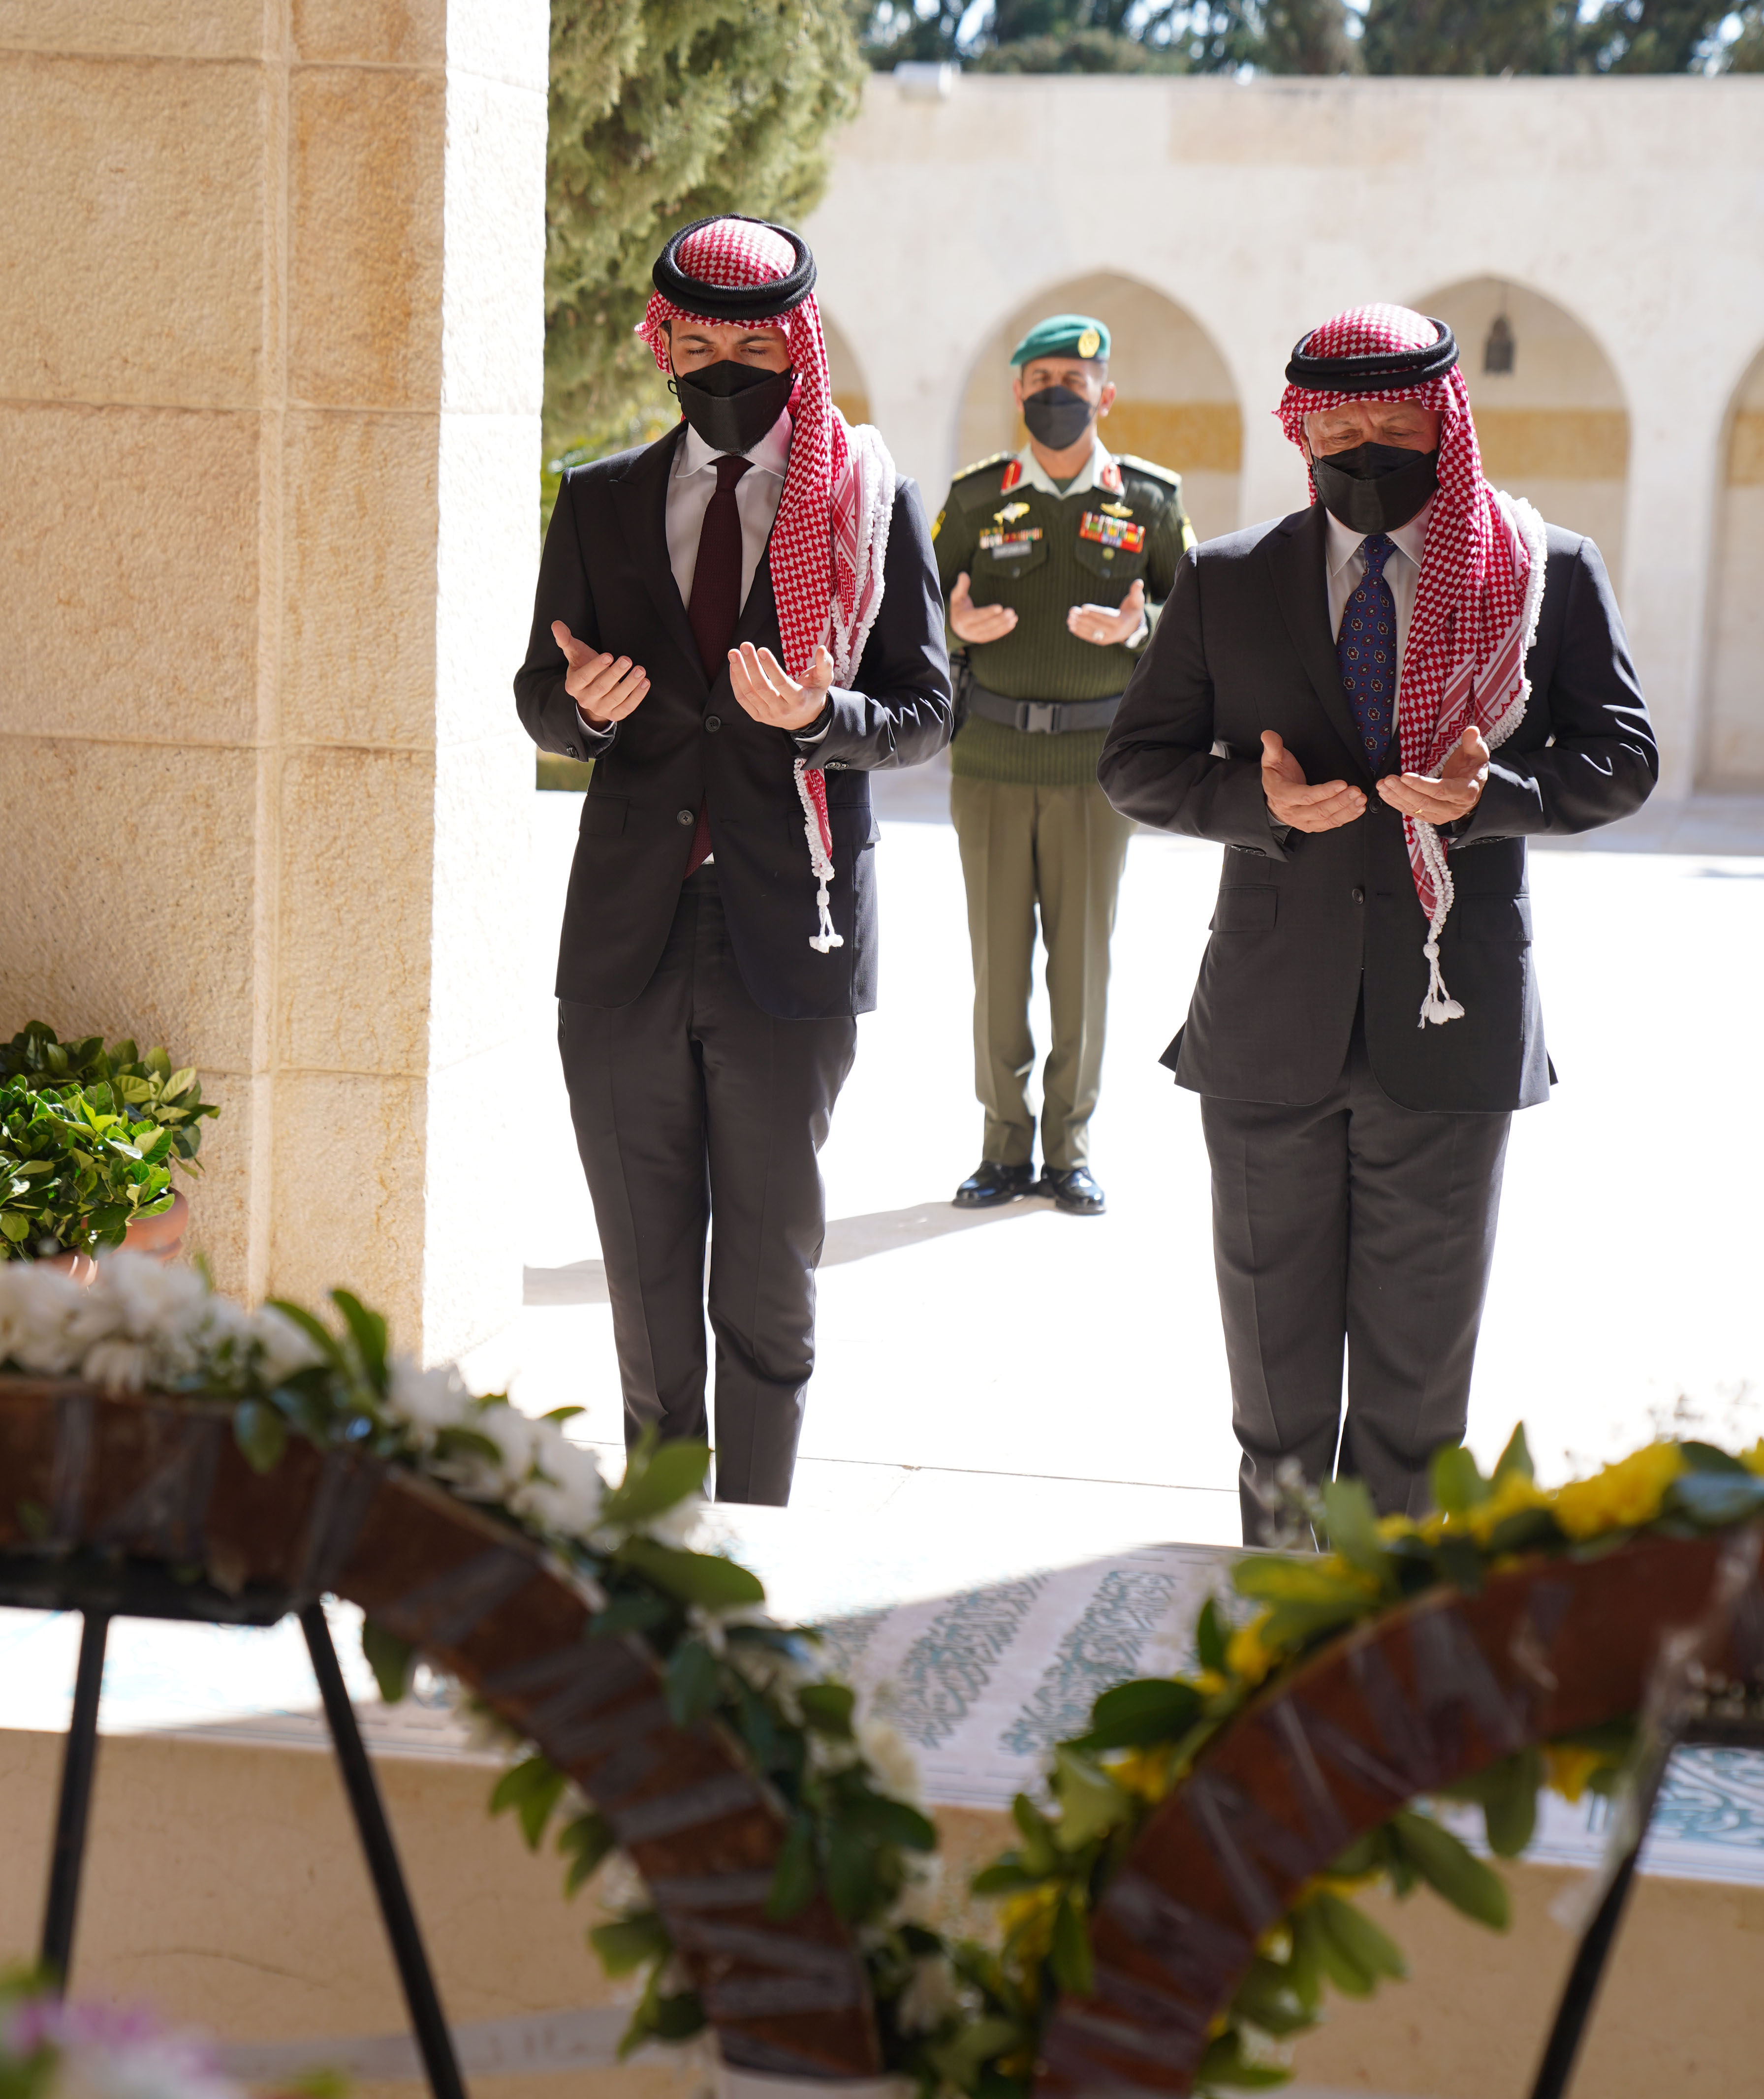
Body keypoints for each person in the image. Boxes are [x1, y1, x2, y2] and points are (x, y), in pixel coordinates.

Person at [1098, 303, 1656, 1541]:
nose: (1362, 441)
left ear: (1442, 420)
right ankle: (1273, 1643)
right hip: (1262, 1032)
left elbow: (1620, 761)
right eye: (1336, 419)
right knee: (1275, 1402)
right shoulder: (1230, 576)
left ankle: (1382, 1666)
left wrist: (1492, 796)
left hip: (1448, 1032)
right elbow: (1137, 766)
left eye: (1391, 418)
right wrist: (1257, 801)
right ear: (1302, 426)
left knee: (1412, 1405)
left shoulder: (1544, 570)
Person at [514, 216, 951, 1505]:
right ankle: (663, 1555)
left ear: (795, 345)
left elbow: (929, 712)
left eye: (749, 342)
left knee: (766, 1285)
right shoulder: (598, 500)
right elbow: (543, 696)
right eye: (694, 341)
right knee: (647, 1288)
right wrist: (582, 706)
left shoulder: (868, 506)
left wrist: (819, 717)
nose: (720, 365)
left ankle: (758, 1556)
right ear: (662, 343)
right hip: (623, 946)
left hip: (790, 939)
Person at [934, 315, 1192, 1217]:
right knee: (999, 967)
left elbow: (1194, 627)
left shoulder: (1149, 505)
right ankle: (1002, 1147)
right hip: (994, 762)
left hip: (1095, 767)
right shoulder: (971, 503)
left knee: (1082, 965)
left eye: (1074, 383)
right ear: (1017, 391)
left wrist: (1142, 629)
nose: (1056, 395)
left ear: (1105, 395)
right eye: (1041, 378)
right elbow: (918, 622)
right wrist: (954, 633)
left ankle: (1069, 1148)